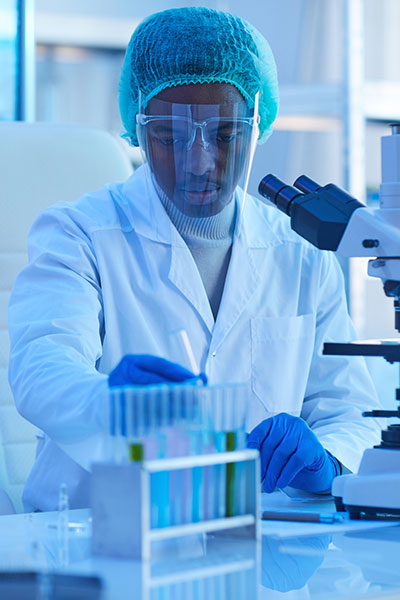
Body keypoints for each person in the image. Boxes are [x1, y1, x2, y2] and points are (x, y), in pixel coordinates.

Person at [8, 7, 381, 512]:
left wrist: (327, 460)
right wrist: (111, 402)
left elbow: (349, 410)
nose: (199, 161)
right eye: (170, 136)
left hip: (258, 551)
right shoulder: (79, 234)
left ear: (257, 121)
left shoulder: (301, 254)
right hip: (95, 541)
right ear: (138, 129)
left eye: (224, 134)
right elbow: (41, 368)